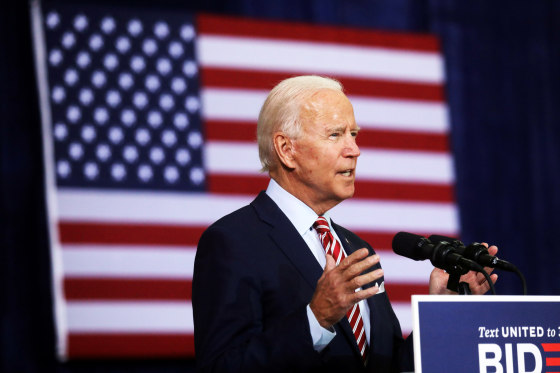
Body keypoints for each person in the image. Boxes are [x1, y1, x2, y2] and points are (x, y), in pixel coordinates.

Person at [192, 75, 498, 373]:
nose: (354, 149)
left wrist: (440, 314)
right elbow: (221, 366)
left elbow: (389, 365)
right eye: (336, 134)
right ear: (287, 150)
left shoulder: (354, 248)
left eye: (354, 134)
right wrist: (315, 319)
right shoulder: (232, 241)